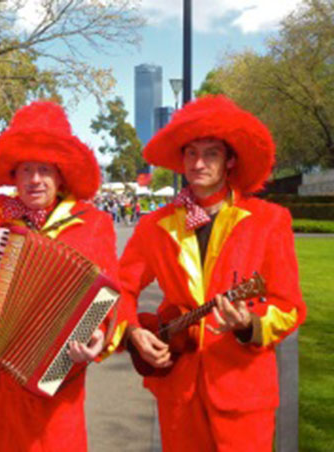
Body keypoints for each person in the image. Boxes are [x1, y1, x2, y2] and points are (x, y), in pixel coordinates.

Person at [119, 95, 306, 451]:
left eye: (211, 153)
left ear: (230, 160)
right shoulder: (154, 225)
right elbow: (117, 287)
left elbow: (289, 307)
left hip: (244, 392)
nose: (199, 163)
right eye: (191, 153)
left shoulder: (270, 222)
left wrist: (249, 325)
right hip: (178, 391)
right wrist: (132, 333)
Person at [0, 101, 126, 452]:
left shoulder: (94, 223)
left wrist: (99, 335)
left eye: (44, 169)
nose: (34, 180)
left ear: (61, 175)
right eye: (26, 169)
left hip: (55, 378)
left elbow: (110, 295)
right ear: (12, 176)